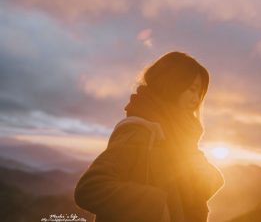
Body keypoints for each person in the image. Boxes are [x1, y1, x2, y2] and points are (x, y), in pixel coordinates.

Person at [74, 51, 225, 222]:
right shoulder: (139, 131)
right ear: (172, 85)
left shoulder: (181, 137)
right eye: (192, 90)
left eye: (200, 93)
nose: (196, 99)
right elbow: (90, 188)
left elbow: (197, 187)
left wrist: (207, 177)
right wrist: (157, 207)